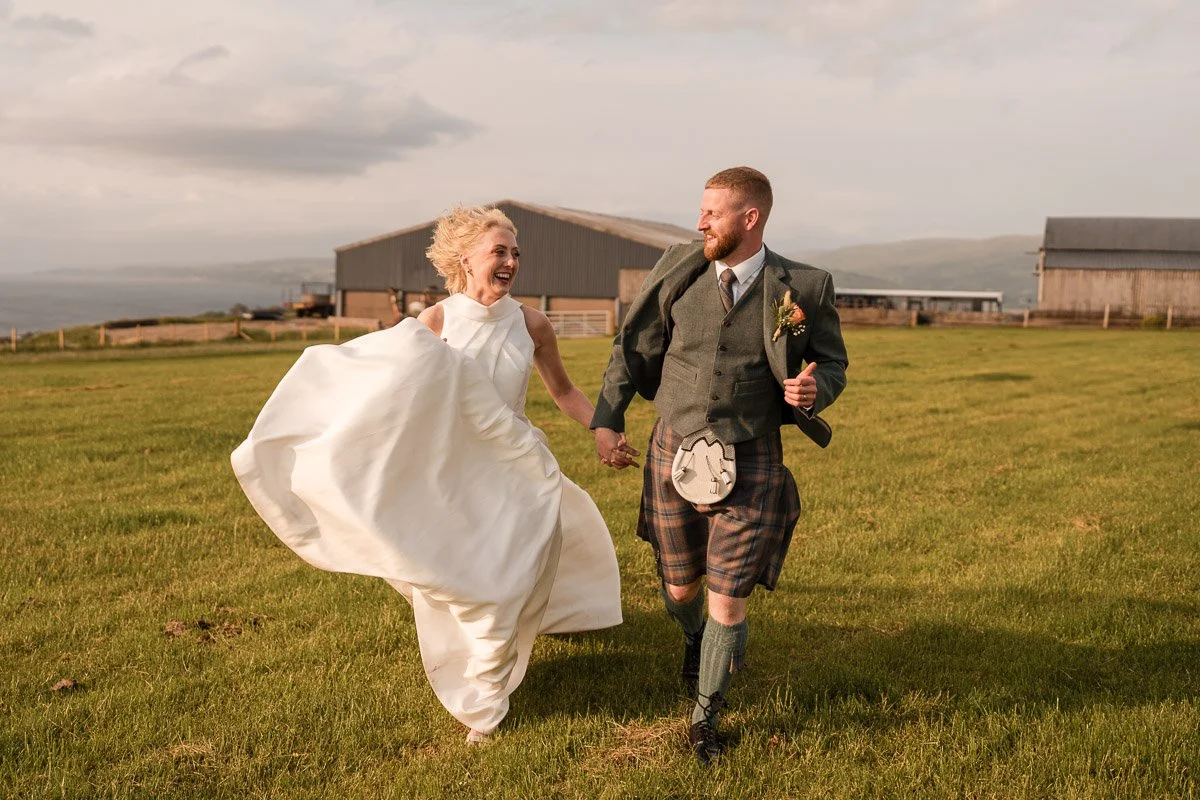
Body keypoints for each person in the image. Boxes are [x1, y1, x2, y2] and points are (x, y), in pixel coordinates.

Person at [232, 205, 621, 746]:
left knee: (516, 566)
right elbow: (394, 391)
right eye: (499, 252)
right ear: (465, 259)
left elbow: (564, 392)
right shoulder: (435, 323)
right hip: (454, 470)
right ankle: (482, 658)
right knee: (467, 578)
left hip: (517, 468)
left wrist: (602, 430)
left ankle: (483, 702)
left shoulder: (532, 324)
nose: (510, 261)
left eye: (515, 253)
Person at [591, 167, 848, 763]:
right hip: (673, 443)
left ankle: (704, 718)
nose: (701, 221)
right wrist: (608, 419)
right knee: (681, 588)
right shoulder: (679, 267)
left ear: (750, 219)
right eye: (701, 211)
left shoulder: (804, 287)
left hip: (753, 447)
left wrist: (815, 390)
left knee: (728, 596)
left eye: (713, 212)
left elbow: (832, 361)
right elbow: (633, 346)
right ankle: (695, 640)